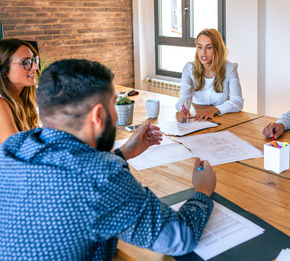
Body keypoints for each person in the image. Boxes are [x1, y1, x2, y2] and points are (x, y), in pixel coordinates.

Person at [0, 59, 217, 260]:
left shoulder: (13, 147)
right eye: (114, 104)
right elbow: (179, 238)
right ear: (98, 115)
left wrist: (124, 153)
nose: (115, 115)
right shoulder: (103, 177)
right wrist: (202, 191)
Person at [175, 28, 244, 122]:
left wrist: (213, 110)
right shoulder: (189, 68)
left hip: (222, 119)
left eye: (209, 47)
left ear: (217, 49)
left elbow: (237, 102)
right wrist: (182, 111)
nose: (203, 52)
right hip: (197, 119)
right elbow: (183, 100)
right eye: (199, 47)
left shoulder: (230, 68)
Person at [0, 39, 40, 143]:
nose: (35, 67)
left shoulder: (27, 97)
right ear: (4, 70)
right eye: (25, 62)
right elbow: (17, 150)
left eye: (34, 60)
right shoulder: (0, 104)